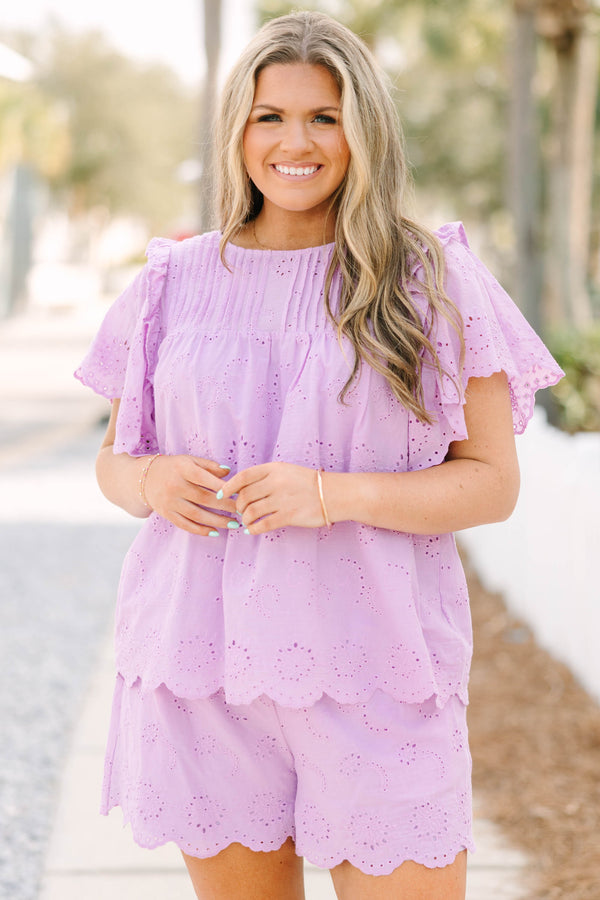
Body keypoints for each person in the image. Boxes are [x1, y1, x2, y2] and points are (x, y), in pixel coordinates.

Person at [75, 10, 563, 900]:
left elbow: (492, 484)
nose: (294, 142)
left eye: (323, 117)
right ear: (239, 130)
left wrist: (331, 495)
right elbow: (115, 463)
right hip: (199, 665)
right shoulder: (172, 281)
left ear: (362, 130)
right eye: (270, 116)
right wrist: (150, 479)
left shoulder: (431, 279)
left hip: (376, 671)